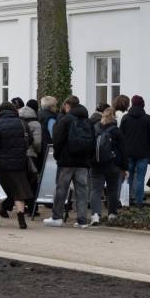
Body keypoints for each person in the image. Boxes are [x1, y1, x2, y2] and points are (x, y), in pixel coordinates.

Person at [45, 96, 94, 228]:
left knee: (61, 189)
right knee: (82, 191)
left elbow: (58, 140)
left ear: (67, 105)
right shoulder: (88, 121)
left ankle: (57, 217)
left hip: (66, 161)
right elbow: (93, 141)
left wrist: (57, 156)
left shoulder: (65, 120)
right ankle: (82, 220)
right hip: (83, 162)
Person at [0, 102, 34, 229]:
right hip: (19, 163)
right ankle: (21, 220)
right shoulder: (22, 124)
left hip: (1, 164)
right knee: (19, 192)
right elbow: (30, 140)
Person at [90, 106, 126, 225]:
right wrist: (124, 167)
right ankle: (112, 214)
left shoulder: (95, 128)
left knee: (96, 190)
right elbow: (122, 150)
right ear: (114, 117)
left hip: (96, 164)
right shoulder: (116, 131)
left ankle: (95, 215)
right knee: (112, 189)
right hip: (112, 165)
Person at [120, 95, 150, 206]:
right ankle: (139, 202)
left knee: (128, 178)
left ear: (132, 104)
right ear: (142, 104)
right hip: (143, 153)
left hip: (128, 153)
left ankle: (127, 201)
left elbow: (121, 137)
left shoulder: (125, 118)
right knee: (140, 179)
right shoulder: (147, 119)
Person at [18, 100, 43, 214]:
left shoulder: (17, 121)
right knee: (32, 182)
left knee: (20, 181)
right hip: (31, 156)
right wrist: (37, 152)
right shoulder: (35, 123)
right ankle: (32, 208)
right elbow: (37, 143)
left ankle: (20, 207)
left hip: (19, 155)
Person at [38, 96, 58, 170]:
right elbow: (54, 135)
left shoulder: (38, 114)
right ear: (52, 106)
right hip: (49, 148)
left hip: (40, 147)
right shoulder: (51, 118)